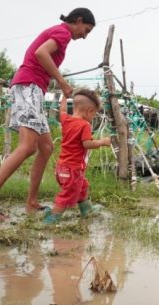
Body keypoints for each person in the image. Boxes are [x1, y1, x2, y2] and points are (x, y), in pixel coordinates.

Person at [0, 8, 96, 222]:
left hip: (35, 90)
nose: (84, 36)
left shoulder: (60, 33)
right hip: (28, 86)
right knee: (28, 146)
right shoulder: (63, 33)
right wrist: (62, 81)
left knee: (46, 147)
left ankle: (31, 202)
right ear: (78, 21)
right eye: (86, 30)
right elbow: (41, 53)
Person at [44, 89, 111, 224]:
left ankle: (86, 210)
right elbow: (87, 144)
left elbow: (62, 110)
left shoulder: (66, 119)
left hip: (62, 167)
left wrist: (64, 96)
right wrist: (103, 142)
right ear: (90, 111)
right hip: (73, 169)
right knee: (67, 194)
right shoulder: (84, 125)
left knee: (83, 186)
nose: (93, 117)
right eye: (94, 114)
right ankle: (52, 218)